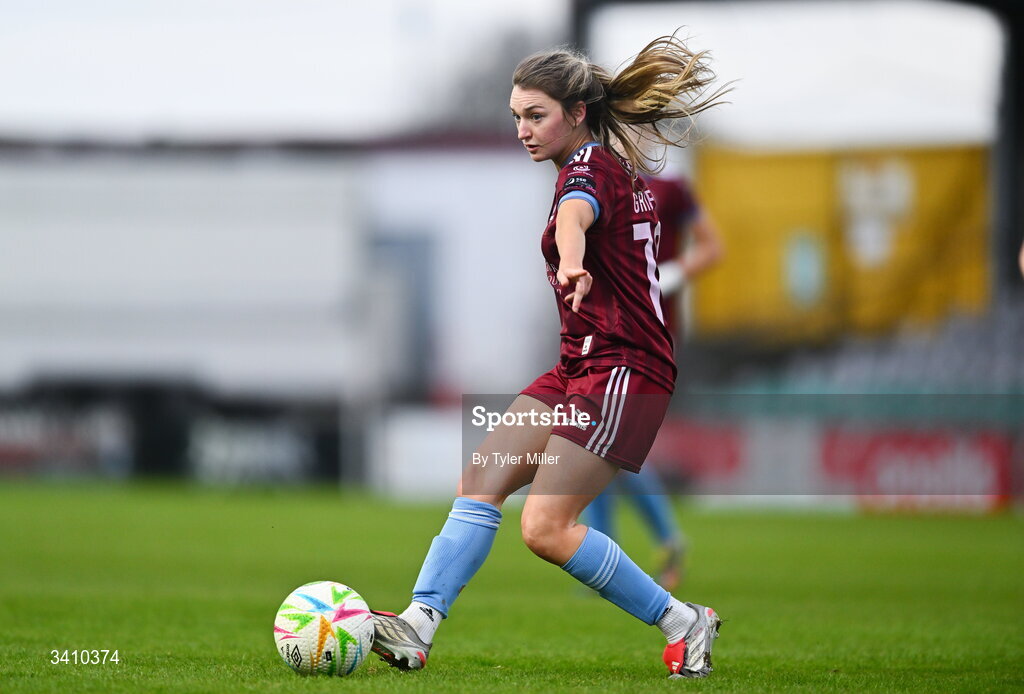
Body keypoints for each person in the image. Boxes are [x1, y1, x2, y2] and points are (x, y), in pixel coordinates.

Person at [370, 34, 727, 680]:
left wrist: (570, 261)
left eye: (536, 115)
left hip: (624, 372)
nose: (523, 130)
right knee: (482, 476)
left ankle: (683, 619)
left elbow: (575, 219)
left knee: (545, 526)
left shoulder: (587, 169)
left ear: (578, 112)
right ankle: (416, 627)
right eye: (516, 116)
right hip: (579, 367)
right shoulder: (600, 166)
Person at [583, 173, 723, 592]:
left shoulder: (671, 189)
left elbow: (713, 246)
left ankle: (639, 545)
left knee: (602, 442)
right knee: (594, 442)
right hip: (600, 332)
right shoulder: (590, 180)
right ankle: (615, 552)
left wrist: (676, 272)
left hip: (648, 336)